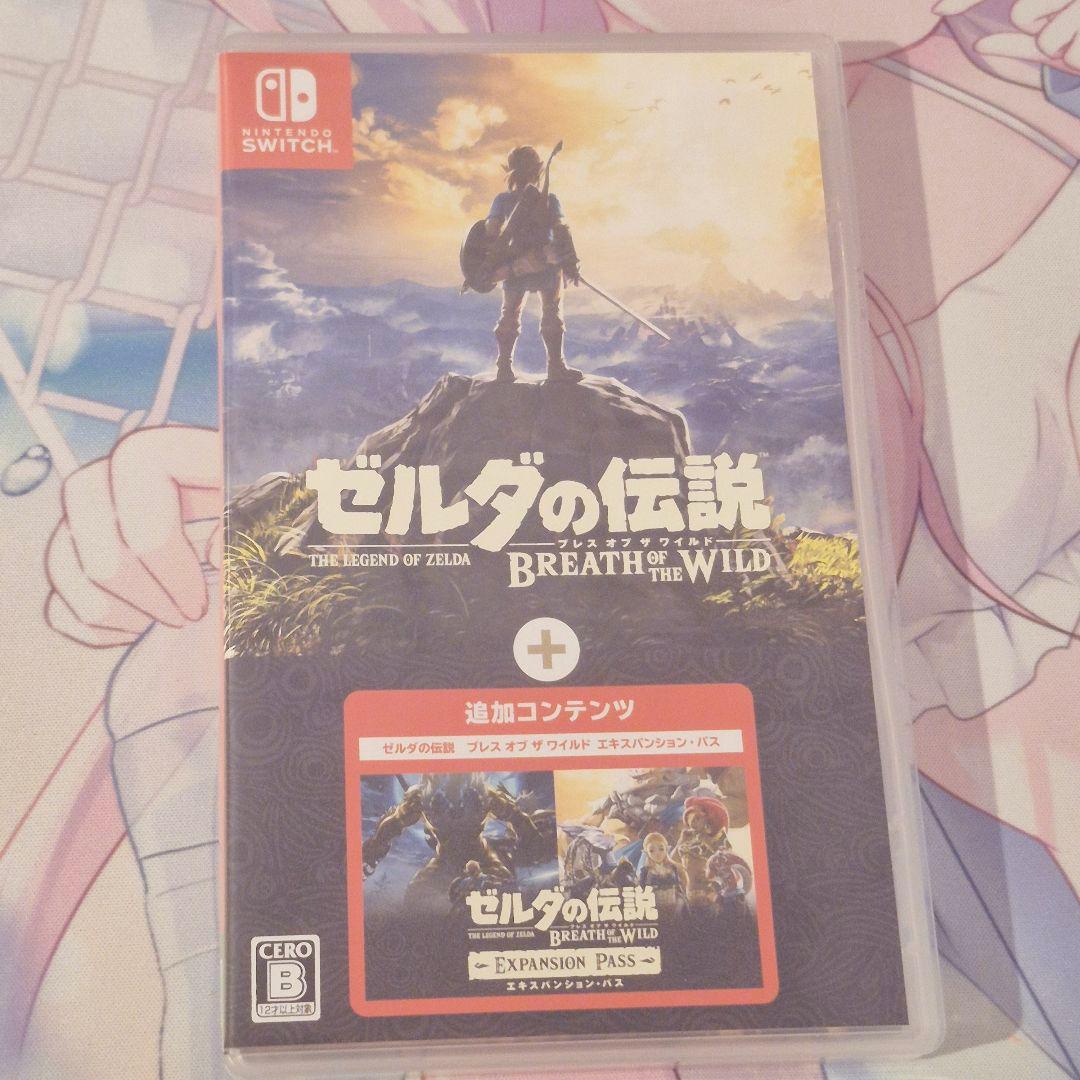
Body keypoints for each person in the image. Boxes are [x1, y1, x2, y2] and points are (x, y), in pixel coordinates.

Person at [485, 145, 583, 382]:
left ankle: (504, 368)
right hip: (545, 264)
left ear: (512, 171)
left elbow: (491, 231)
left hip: (515, 266)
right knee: (551, 313)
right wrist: (569, 261)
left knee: (510, 314)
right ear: (537, 171)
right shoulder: (549, 199)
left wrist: (498, 256)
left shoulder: (502, 200)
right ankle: (555, 367)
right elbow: (561, 230)